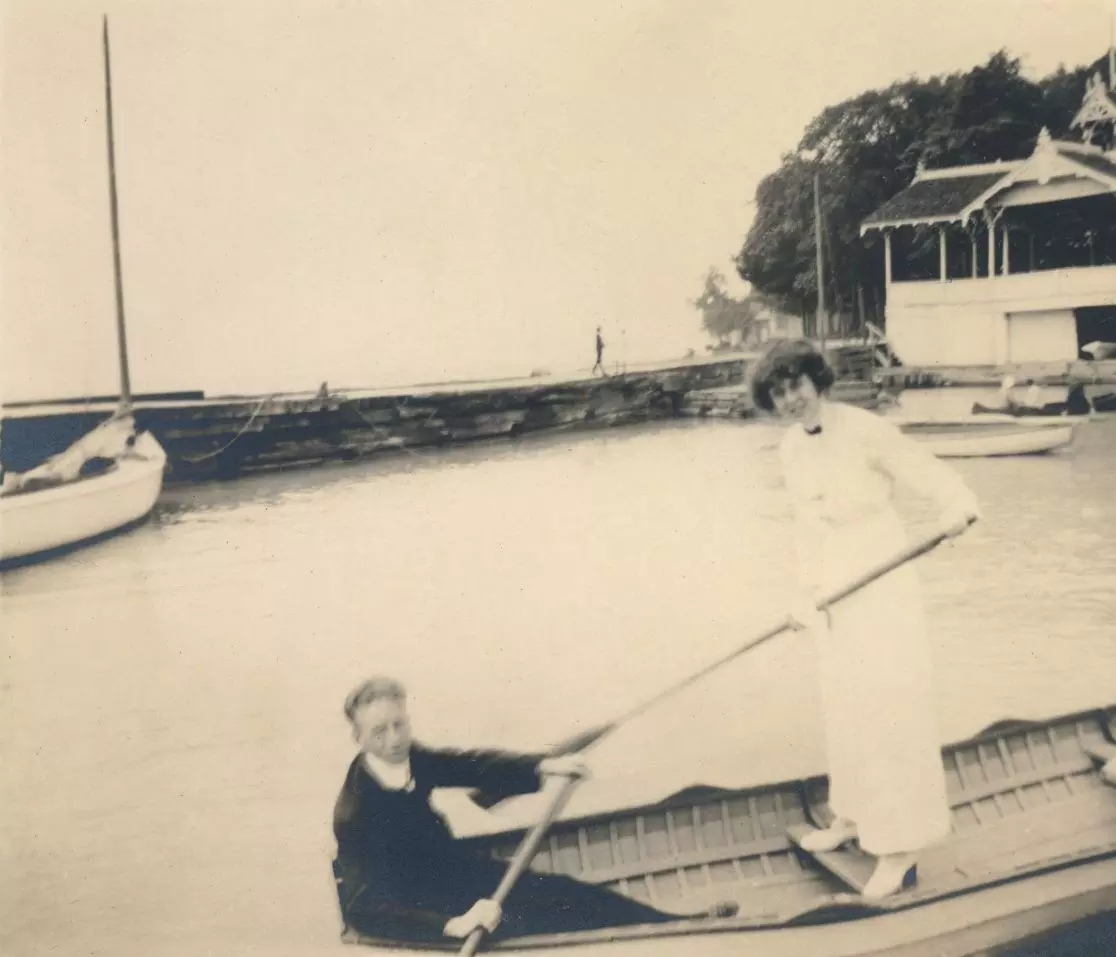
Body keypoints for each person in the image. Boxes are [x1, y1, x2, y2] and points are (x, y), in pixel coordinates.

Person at [748, 339, 979, 901]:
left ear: (816, 382)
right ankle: (850, 817)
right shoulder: (789, 447)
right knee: (844, 705)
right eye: (778, 393)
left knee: (889, 709)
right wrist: (805, 592)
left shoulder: (863, 428)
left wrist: (957, 507)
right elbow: (805, 527)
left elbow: (927, 473)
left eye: (796, 385)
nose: (790, 400)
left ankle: (899, 849)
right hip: (834, 587)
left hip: (881, 575)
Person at [333, 678, 734, 943]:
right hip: (422, 908)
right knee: (536, 926)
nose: (395, 739)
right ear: (358, 738)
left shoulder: (410, 756)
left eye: (400, 724)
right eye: (379, 731)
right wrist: (452, 925)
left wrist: (543, 766)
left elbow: (470, 763)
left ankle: (681, 925)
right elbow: (363, 909)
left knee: (564, 893)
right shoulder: (354, 813)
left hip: (460, 873)